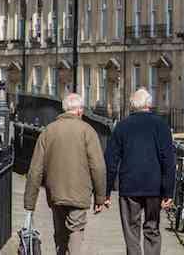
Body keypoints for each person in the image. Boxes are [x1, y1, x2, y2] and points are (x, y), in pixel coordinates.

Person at [23, 93, 108, 255]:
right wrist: (100, 197)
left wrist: (30, 202)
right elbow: (98, 166)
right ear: (78, 111)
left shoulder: (48, 131)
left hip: (55, 193)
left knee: (60, 233)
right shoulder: (87, 131)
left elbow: (35, 169)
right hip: (80, 194)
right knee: (76, 230)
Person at [102, 88, 176, 255]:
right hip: (154, 187)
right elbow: (168, 160)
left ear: (131, 106)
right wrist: (169, 192)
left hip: (129, 187)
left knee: (131, 233)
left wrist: (105, 192)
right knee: (152, 229)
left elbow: (110, 161)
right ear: (149, 105)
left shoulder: (122, 127)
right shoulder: (161, 125)